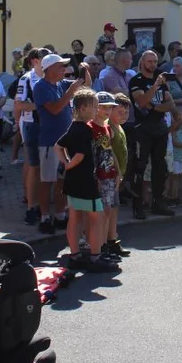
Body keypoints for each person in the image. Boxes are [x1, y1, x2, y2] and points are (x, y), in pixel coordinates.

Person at [58, 89, 119, 273]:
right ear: (83, 108)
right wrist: (70, 164)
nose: (96, 110)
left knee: (75, 217)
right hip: (85, 180)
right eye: (94, 106)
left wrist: (66, 164)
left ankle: (75, 255)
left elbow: (58, 146)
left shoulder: (73, 126)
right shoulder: (85, 129)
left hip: (73, 181)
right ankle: (95, 256)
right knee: (97, 218)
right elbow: (80, 154)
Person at [34, 54, 84, 235]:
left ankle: (60, 215)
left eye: (64, 67)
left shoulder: (62, 84)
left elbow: (84, 84)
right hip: (49, 142)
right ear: (49, 69)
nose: (64, 70)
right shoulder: (41, 87)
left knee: (63, 182)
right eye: (60, 67)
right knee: (47, 181)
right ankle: (45, 217)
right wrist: (70, 92)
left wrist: (84, 70)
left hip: (65, 143)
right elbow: (54, 109)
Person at [128, 50, 176, 218]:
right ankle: (138, 205)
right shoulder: (136, 81)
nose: (153, 65)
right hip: (143, 128)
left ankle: (158, 202)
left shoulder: (161, 82)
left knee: (159, 166)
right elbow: (141, 102)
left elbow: (170, 104)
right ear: (142, 62)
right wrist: (154, 87)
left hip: (160, 127)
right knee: (139, 167)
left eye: (155, 61)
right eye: (149, 61)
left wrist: (154, 107)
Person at [14, 48, 45, 225]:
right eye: (43, 58)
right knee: (33, 166)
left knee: (44, 168)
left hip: (48, 126)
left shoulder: (52, 77)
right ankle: (31, 205)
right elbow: (19, 104)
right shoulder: (27, 78)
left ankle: (41, 203)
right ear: (34, 61)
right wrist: (42, 106)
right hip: (32, 125)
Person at [105, 95, 131, 254]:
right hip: (111, 175)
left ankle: (112, 239)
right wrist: (117, 172)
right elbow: (108, 153)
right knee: (109, 209)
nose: (124, 116)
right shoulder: (109, 128)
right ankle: (107, 242)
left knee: (115, 208)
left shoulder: (119, 127)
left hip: (118, 176)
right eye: (120, 112)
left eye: (127, 112)